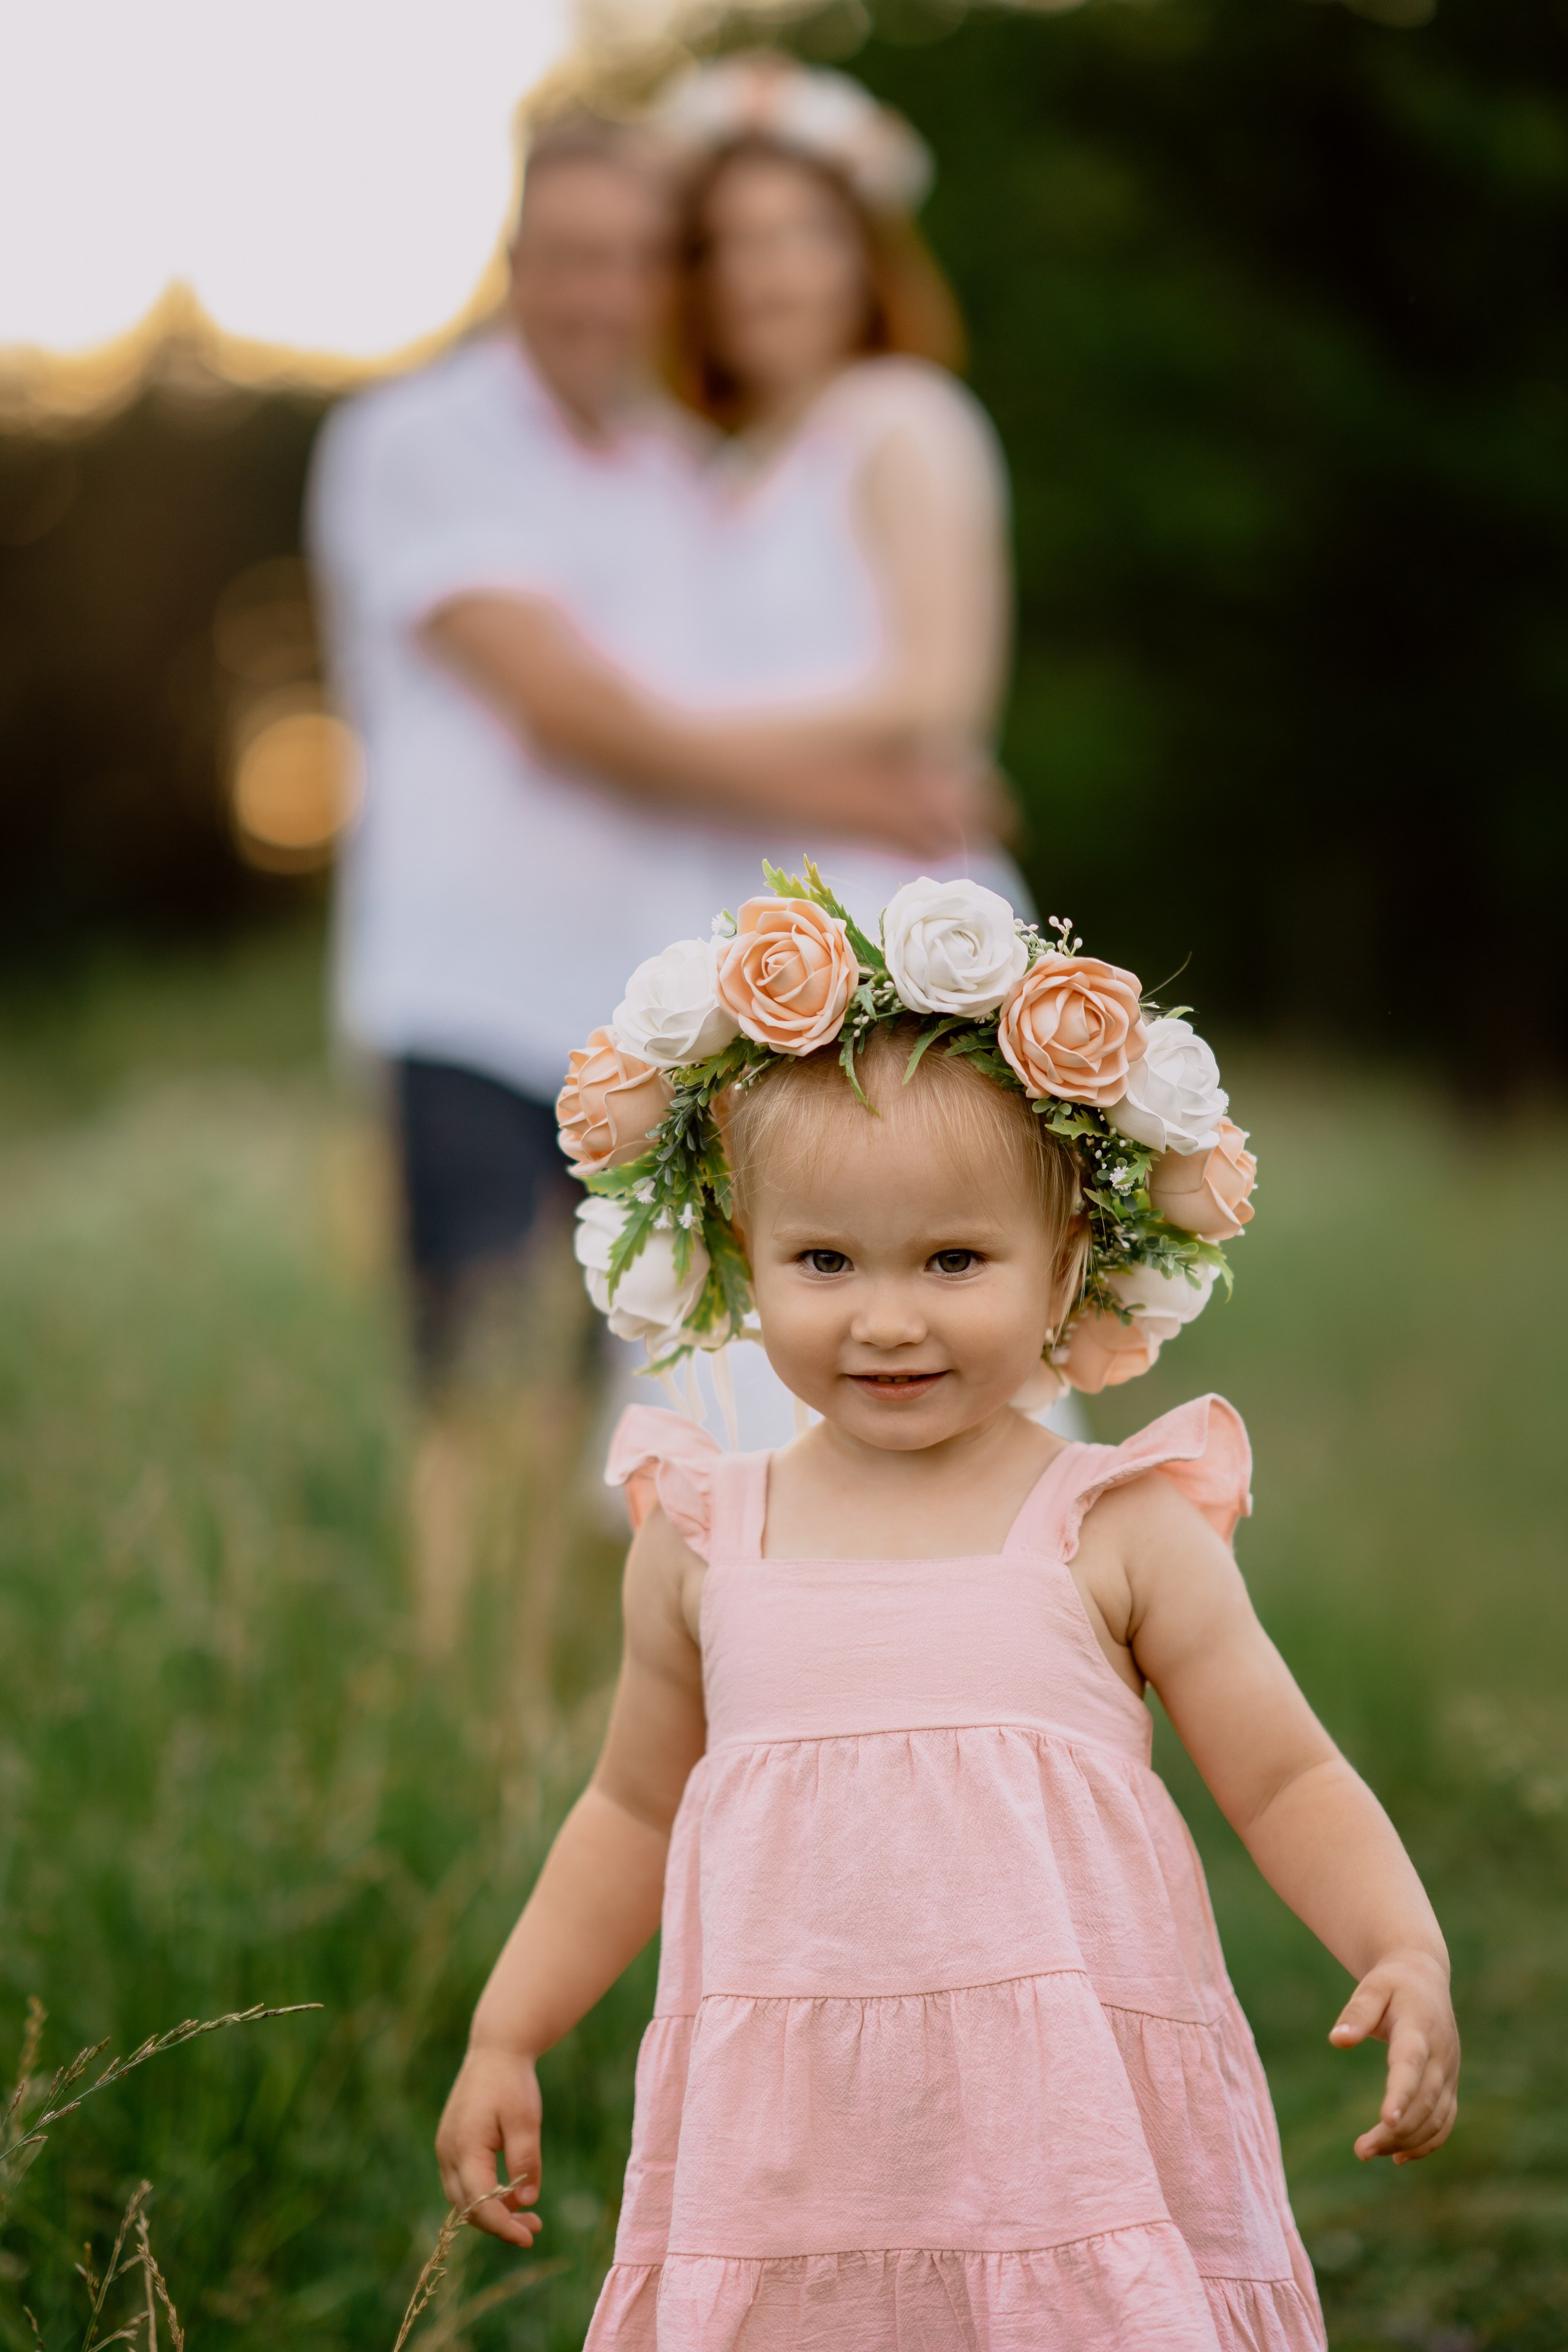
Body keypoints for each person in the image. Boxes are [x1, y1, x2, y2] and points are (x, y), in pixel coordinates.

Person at [434, 872, 1458, 2348]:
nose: (887, 1316)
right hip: (794, 2156)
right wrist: (508, 2028)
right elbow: (628, 1813)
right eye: (825, 1261)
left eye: (954, 1261)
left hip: (1060, 2140)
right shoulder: (706, 1536)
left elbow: (1285, 1775)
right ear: (741, 1259)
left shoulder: (1120, 1528)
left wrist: (1399, 1946)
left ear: (1068, 1269)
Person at [310, 114, 970, 1651]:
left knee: (647, 1409)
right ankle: (451, 1721)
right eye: (571, 257)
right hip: (467, 993)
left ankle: (610, 1740)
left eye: (634, 261)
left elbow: (746, 681)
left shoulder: (681, 468)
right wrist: (868, 796)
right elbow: (569, 712)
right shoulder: (422, 440)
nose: (602, 293)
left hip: (650, 1012)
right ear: (516, 260)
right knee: (482, 1382)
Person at [424, 51, 1027, 945]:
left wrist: (665, 741)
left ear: (866, 257)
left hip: (891, 895)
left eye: (802, 234)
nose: (763, 274)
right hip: (737, 911)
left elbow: (937, 694)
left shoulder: (905, 416)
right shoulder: (709, 464)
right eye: (728, 244)